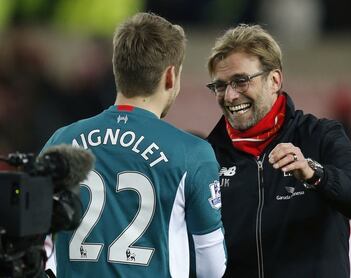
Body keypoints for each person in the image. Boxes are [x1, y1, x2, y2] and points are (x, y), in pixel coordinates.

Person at [42, 12, 226, 278]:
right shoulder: (192, 154)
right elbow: (212, 267)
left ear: (118, 68)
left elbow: (38, 244)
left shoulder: (61, 140)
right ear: (171, 76)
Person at [206, 24, 351, 277]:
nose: (230, 95)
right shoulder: (208, 155)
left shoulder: (320, 136)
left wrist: (314, 174)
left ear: (274, 80)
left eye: (241, 81)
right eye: (220, 86)